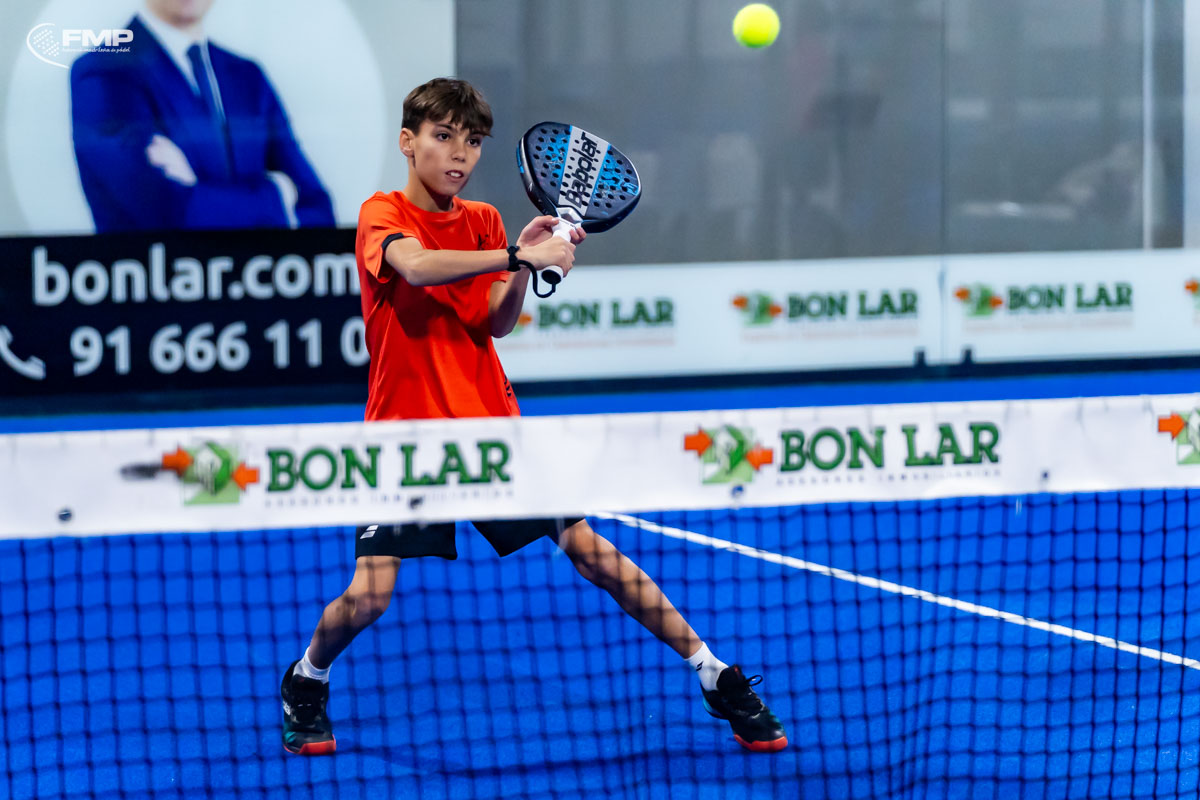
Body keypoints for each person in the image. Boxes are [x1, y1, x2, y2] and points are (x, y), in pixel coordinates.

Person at [279, 77, 787, 757]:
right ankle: (307, 678)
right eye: (442, 137)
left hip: (493, 430)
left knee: (591, 551)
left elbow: (496, 321)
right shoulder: (382, 213)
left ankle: (713, 673)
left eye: (471, 142)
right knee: (370, 597)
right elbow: (419, 267)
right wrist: (521, 255)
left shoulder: (485, 220)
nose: (458, 154)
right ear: (407, 141)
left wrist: (520, 268)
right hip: (407, 436)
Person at [70, 0, 335, 232]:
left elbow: (317, 208)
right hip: (159, 270)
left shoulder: (248, 77)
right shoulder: (103, 72)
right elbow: (171, 212)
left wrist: (199, 192)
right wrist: (278, 194)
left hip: (260, 272)